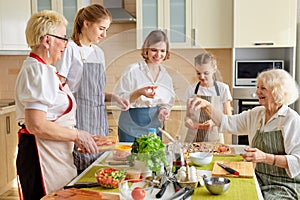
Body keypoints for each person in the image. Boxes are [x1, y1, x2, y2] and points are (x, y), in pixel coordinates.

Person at [14, 10, 99, 199]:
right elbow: (36, 124)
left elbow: (52, 117)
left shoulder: (45, 70)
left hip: (54, 154)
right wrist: (77, 135)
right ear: (47, 40)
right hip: (41, 156)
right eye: (62, 37)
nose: (65, 43)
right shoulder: (38, 71)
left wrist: (75, 138)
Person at [188, 69, 300, 199]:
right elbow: (227, 122)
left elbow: (298, 160)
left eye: (263, 88)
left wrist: (265, 157)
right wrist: (206, 105)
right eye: (257, 87)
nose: (257, 92)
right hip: (258, 178)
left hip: (284, 185)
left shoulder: (291, 119)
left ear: (277, 91)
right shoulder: (257, 114)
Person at [55, 4, 130, 173]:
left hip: (98, 120)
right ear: (86, 23)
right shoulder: (69, 49)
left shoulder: (98, 52)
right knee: (82, 165)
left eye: (106, 30)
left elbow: (94, 92)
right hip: (78, 119)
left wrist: (114, 98)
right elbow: (59, 89)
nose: (104, 34)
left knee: (100, 165)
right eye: (101, 28)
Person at [115, 30, 175, 142]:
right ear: (146, 50)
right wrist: (139, 92)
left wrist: (164, 110)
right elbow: (119, 100)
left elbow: (166, 103)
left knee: (153, 158)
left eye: (162, 51)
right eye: (154, 50)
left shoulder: (166, 76)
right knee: (130, 158)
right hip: (130, 125)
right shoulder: (132, 70)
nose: (158, 55)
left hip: (153, 127)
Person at [184, 52, 232, 143]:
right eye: (198, 73)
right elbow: (187, 116)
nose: (202, 77)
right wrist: (187, 121)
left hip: (214, 139)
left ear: (214, 69)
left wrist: (214, 122)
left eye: (206, 73)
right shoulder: (191, 89)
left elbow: (228, 117)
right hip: (192, 139)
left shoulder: (223, 89)